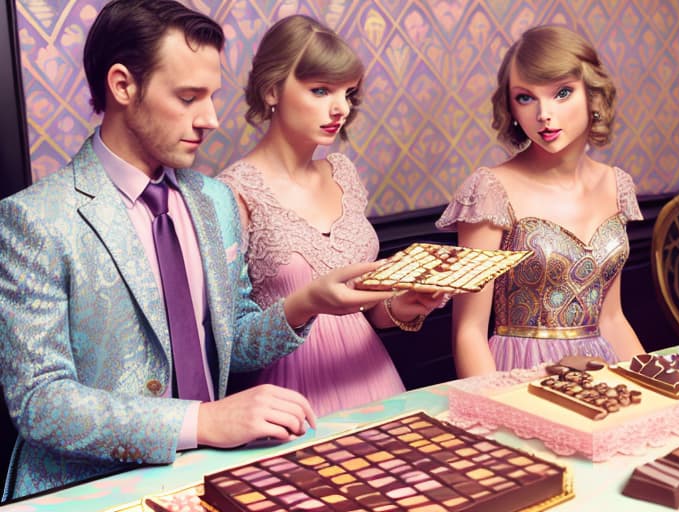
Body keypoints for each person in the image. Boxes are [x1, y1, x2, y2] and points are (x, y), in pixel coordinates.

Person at [0, 0, 396, 499]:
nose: (210, 118)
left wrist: (308, 304)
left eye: (211, 96)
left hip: (213, 483)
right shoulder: (34, 218)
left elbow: (237, 342)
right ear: (122, 86)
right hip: (88, 491)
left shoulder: (214, 201)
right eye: (188, 97)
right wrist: (202, 421)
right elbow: (41, 403)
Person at [217, 15, 445, 416]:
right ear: (272, 89)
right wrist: (306, 303)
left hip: (376, 381)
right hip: (292, 398)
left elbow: (368, 312)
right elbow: (229, 346)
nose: (339, 108)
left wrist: (406, 304)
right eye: (320, 90)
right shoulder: (233, 193)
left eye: (348, 93)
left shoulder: (344, 173)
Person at [436, 25, 646, 378]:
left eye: (562, 93)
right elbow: (468, 332)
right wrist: (496, 412)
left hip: (600, 374)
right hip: (520, 375)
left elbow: (611, 318)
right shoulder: (490, 190)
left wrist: (654, 385)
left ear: (592, 94)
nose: (544, 114)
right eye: (525, 97)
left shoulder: (616, 184)